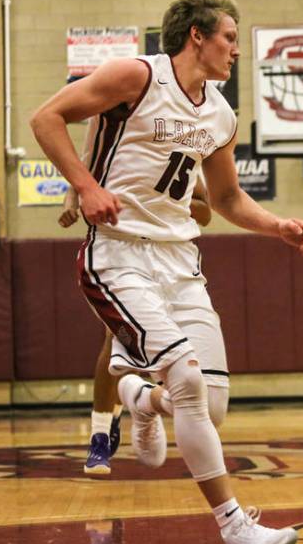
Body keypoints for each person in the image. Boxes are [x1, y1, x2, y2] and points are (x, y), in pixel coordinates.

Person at [31, 0, 303, 544]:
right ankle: (237, 532)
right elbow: (45, 117)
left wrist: (276, 224)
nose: (237, 50)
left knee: (210, 406)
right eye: (230, 38)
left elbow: (229, 198)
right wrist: (85, 186)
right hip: (118, 256)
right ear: (197, 37)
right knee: (185, 376)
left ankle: (139, 397)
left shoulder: (221, 113)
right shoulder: (135, 77)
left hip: (181, 264)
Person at [61, 177, 212, 475]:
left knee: (155, 352)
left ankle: (143, 402)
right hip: (119, 254)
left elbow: (206, 212)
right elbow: (82, 174)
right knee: (117, 338)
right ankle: (100, 435)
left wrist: (167, 205)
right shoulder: (119, 142)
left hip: (172, 260)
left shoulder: (185, 151)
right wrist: (71, 201)